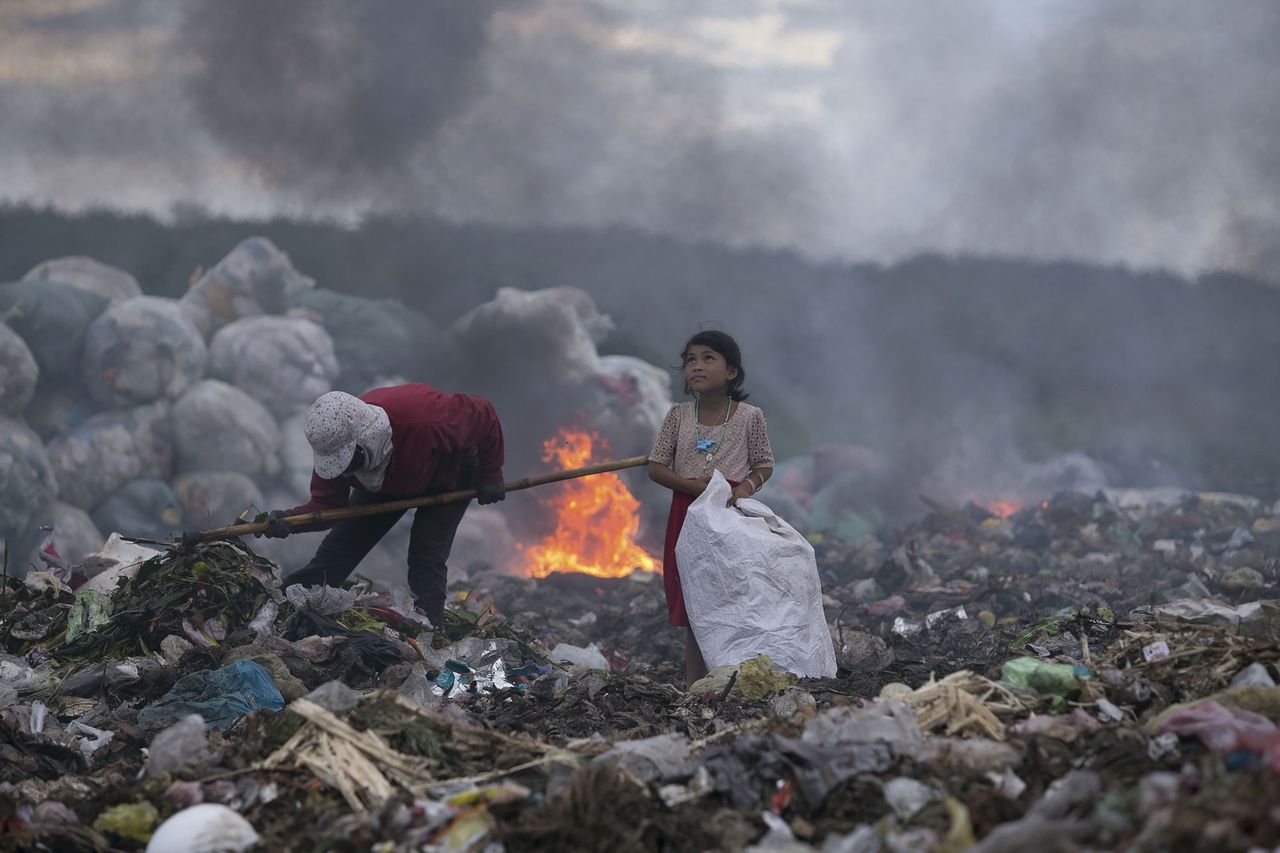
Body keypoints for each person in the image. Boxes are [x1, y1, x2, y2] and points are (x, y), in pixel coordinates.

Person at [259, 383, 506, 628]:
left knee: (427, 556)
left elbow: (485, 414)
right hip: (390, 481)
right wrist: (288, 521)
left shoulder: (425, 419)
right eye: (340, 466)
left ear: (365, 439)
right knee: (341, 547)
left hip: (451, 472)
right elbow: (327, 508)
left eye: (349, 462)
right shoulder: (334, 447)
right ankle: (285, 603)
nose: (343, 472)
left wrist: (491, 474)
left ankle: (430, 627)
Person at [647, 330, 774, 686]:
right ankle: (697, 687)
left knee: (731, 596)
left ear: (731, 371)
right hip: (688, 515)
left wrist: (745, 488)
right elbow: (656, 467)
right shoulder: (678, 416)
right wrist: (694, 488)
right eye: (690, 360)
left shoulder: (750, 416)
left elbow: (764, 463)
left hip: (729, 515)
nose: (696, 366)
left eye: (707, 358)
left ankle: (734, 679)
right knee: (695, 603)